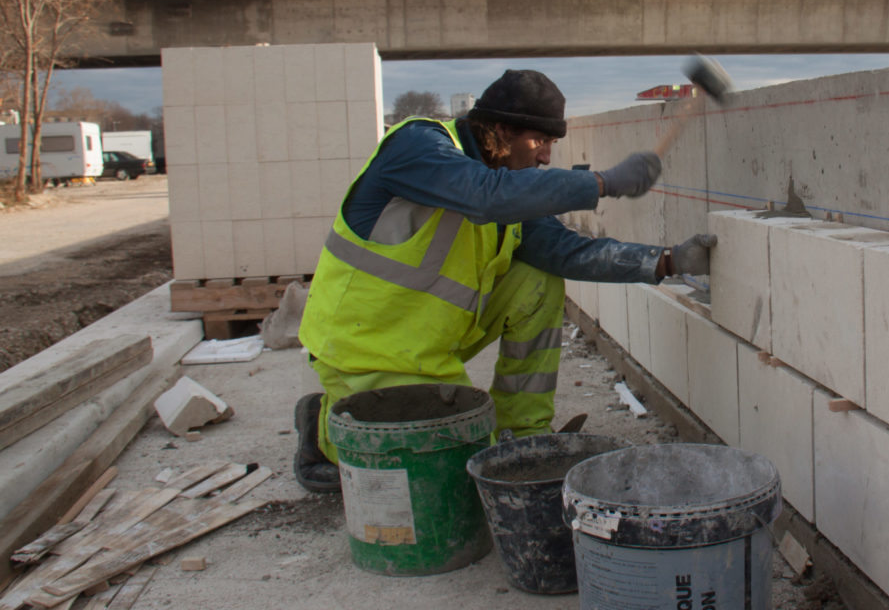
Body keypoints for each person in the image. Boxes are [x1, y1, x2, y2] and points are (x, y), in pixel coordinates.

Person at [293, 69, 717, 492]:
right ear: (498, 131)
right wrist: (601, 183)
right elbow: (482, 196)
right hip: (364, 348)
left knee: (537, 278)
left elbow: (565, 251)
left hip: (431, 343)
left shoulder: (506, 187)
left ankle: (525, 436)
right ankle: (323, 430)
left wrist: (667, 261)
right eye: (540, 141)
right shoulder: (419, 147)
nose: (547, 156)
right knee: (449, 470)